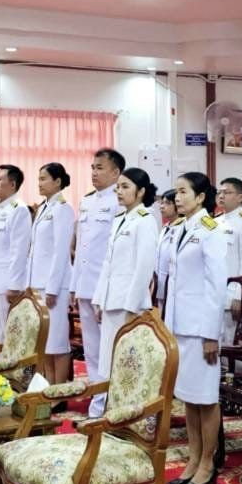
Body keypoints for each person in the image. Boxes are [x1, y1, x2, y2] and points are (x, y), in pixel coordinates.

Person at [162, 172, 228, 484]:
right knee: (188, 397)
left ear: (201, 197)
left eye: (184, 191)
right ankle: (193, 458)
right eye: (176, 192)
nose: (178, 198)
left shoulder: (213, 230)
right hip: (179, 326)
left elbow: (217, 286)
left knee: (205, 397)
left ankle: (207, 463)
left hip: (202, 329)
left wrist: (212, 334)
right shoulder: (181, 229)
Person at [92, 168, 160, 419]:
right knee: (108, 360)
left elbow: (144, 267)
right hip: (112, 300)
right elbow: (108, 264)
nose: (119, 192)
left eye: (125, 187)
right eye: (118, 187)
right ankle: (109, 414)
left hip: (128, 303)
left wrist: (133, 308)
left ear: (141, 192)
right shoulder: (120, 218)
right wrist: (99, 299)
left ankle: (130, 417)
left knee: (128, 363)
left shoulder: (145, 220)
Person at [72, 149, 124, 395]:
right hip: (85, 284)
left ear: (116, 172)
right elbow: (81, 247)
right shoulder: (87, 201)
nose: (94, 172)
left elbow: (115, 253)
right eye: (93, 167)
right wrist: (75, 286)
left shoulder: (120, 204)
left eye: (100, 167)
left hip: (105, 289)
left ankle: (112, 397)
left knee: (109, 348)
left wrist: (106, 292)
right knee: (90, 347)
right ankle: (97, 397)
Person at [28, 163, 76, 386]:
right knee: (44, 341)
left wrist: (53, 287)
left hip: (53, 284)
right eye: (38, 178)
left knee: (57, 341)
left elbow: (60, 251)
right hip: (39, 282)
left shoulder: (63, 209)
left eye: (44, 178)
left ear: (57, 181)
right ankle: (48, 385)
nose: (39, 183)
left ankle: (60, 389)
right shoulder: (44, 207)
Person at [0, 164, 32, 341]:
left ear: (12, 184)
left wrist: (14, 285)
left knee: (14, 333)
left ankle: (23, 370)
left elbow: (19, 250)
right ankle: (3, 368)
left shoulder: (19, 209)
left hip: (6, 283)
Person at [215, 177, 242, 345]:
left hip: (233, 293)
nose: (222, 196)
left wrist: (240, 295)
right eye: (220, 192)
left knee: (232, 346)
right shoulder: (215, 222)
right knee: (216, 347)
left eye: (227, 192)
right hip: (216, 292)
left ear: (240, 197)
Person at [153, 189, 178, 307]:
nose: (162, 207)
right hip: (160, 285)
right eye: (161, 203)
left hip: (174, 286)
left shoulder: (181, 228)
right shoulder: (165, 227)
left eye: (167, 203)